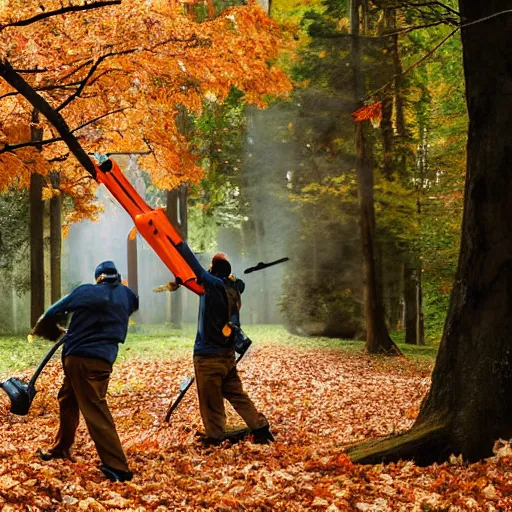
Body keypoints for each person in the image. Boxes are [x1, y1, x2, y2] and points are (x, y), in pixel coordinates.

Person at [33, 261, 138, 482]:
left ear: (98, 277)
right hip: (104, 359)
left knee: (95, 408)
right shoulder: (127, 296)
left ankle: (118, 467)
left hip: (81, 358)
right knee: (68, 398)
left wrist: (54, 331)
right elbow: (119, 308)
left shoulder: (86, 292)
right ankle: (62, 447)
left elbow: (51, 313)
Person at [172, 245, 275, 445]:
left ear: (213, 269)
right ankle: (260, 426)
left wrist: (179, 245)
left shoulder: (214, 285)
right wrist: (184, 282)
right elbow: (204, 282)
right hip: (228, 356)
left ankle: (216, 436)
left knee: (211, 401)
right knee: (237, 394)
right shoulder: (234, 287)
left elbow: (197, 270)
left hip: (208, 357)